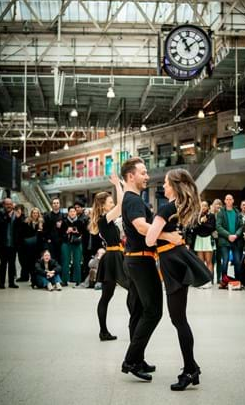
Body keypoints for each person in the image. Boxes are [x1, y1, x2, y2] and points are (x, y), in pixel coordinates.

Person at [146, 168, 212, 391]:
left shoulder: (166, 209)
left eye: (165, 183)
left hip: (173, 262)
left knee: (179, 320)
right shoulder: (183, 208)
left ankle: (190, 369)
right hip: (178, 259)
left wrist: (161, 233)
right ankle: (191, 367)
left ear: (174, 185)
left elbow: (149, 239)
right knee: (179, 318)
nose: (163, 186)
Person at [120, 157, 181, 382]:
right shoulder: (134, 200)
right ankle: (130, 359)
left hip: (135, 261)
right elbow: (142, 227)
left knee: (138, 311)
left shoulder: (130, 198)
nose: (147, 176)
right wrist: (168, 236)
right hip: (140, 261)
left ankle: (137, 358)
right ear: (131, 176)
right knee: (153, 311)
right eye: (143, 172)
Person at [89, 175, 129, 341]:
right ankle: (104, 331)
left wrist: (122, 186)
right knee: (111, 295)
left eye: (112, 202)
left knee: (107, 296)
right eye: (110, 202)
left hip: (114, 256)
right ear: (103, 205)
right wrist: (118, 186)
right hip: (113, 257)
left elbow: (121, 206)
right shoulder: (103, 220)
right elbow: (121, 206)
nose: (112, 204)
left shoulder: (107, 220)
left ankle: (104, 331)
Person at [216, 194, 243, 288]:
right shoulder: (221, 212)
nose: (228, 201)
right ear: (224, 201)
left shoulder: (237, 212)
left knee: (237, 261)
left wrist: (236, 235)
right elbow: (218, 226)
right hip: (224, 240)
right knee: (226, 260)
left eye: (230, 199)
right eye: (227, 199)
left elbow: (241, 226)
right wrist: (228, 235)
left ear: (233, 201)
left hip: (236, 240)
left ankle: (238, 281)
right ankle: (224, 282)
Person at [0, 198, 20, 289]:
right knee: (3, 264)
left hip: (13, 244)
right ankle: (2, 283)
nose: (9, 206)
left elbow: (20, 227)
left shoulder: (16, 215)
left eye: (10, 204)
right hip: (3, 245)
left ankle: (11, 283)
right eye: (7, 204)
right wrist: (8, 216)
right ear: (4, 205)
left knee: (12, 264)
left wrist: (18, 218)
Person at [193, 200, 216, 287]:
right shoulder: (196, 216)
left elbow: (211, 228)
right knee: (200, 262)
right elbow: (195, 228)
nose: (203, 207)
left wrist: (203, 223)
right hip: (199, 239)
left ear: (208, 207)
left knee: (209, 261)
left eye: (205, 206)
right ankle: (202, 281)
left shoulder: (211, 216)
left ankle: (209, 281)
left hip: (208, 239)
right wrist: (201, 222)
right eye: (202, 206)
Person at [60, 206, 84, 286]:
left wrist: (76, 232)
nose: (72, 213)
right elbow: (60, 234)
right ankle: (64, 280)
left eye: (74, 211)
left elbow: (83, 234)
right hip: (66, 243)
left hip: (77, 243)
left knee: (77, 262)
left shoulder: (80, 221)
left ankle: (78, 280)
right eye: (71, 211)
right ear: (68, 213)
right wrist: (67, 232)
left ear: (76, 212)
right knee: (65, 262)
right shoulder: (64, 222)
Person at [22, 207, 44, 287]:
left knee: (37, 264)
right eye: (34, 213)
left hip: (38, 247)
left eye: (36, 213)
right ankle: (33, 280)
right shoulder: (27, 222)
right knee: (30, 264)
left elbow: (43, 235)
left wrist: (40, 232)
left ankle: (36, 280)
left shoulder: (41, 223)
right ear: (31, 214)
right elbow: (24, 234)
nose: (35, 214)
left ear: (39, 214)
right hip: (29, 246)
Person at [43, 197, 64, 263]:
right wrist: (48, 239)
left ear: (59, 204)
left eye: (57, 203)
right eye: (54, 203)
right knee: (51, 259)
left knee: (60, 259)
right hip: (51, 241)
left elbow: (65, 229)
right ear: (52, 204)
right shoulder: (47, 215)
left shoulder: (63, 216)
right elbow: (45, 228)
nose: (56, 204)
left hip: (60, 241)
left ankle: (59, 273)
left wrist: (61, 226)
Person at [210, 198, 223, 284]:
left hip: (221, 239)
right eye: (216, 204)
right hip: (212, 239)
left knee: (219, 259)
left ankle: (219, 278)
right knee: (211, 260)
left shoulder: (222, 215)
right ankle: (211, 278)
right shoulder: (210, 214)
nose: (217, 206)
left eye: (219, 204)